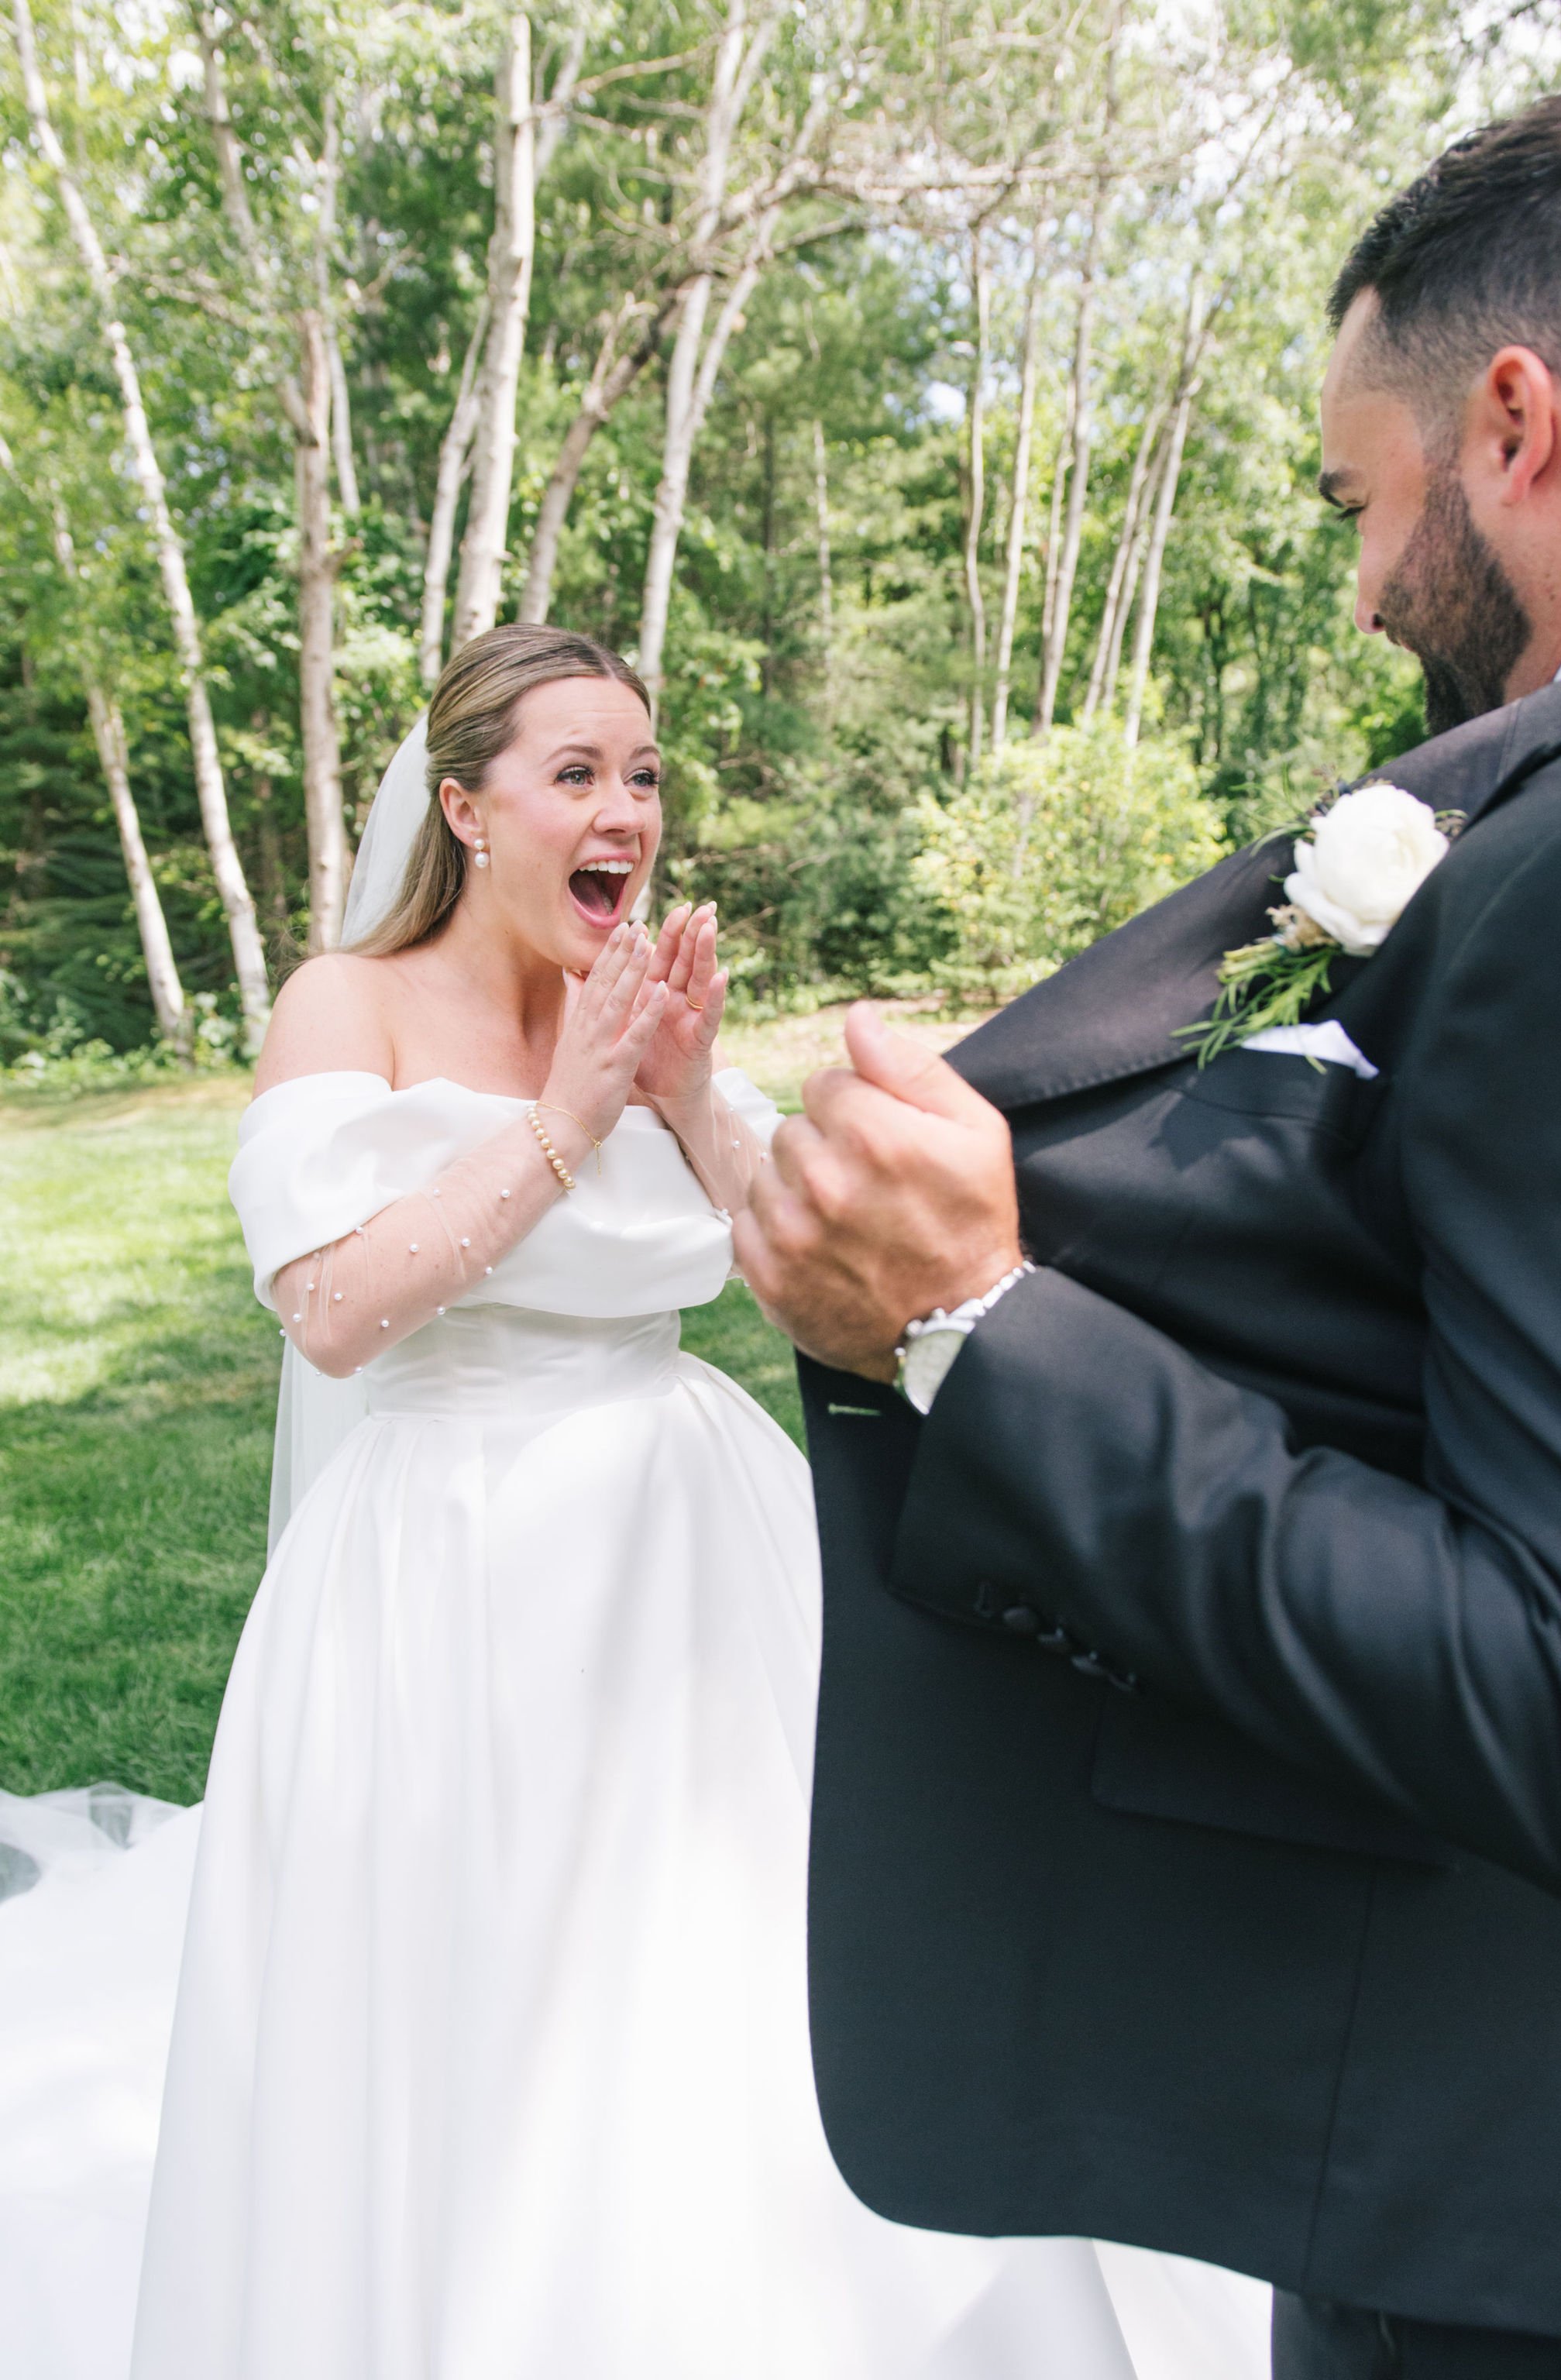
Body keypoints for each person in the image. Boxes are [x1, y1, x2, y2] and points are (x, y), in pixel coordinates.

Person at [115, 623, 1259, 2380]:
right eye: (574, 773)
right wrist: (566, 1117)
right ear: (467, 808)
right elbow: (336, 1311)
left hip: (688, 1545)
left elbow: (793, 1246)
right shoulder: (348, 1000)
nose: (624, 810)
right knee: (490, 2005)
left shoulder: (631, 1000)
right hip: (454, 1565)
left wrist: (679, 1088)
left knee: (740, 1974)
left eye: (641, 774)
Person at [737, 87, 1561, 2380]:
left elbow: (1557, 1691)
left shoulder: (1559, 874)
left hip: (1514, 2235)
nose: (1352, 584)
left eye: (1358, 501)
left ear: (1515, 421)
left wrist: (978, 1323)